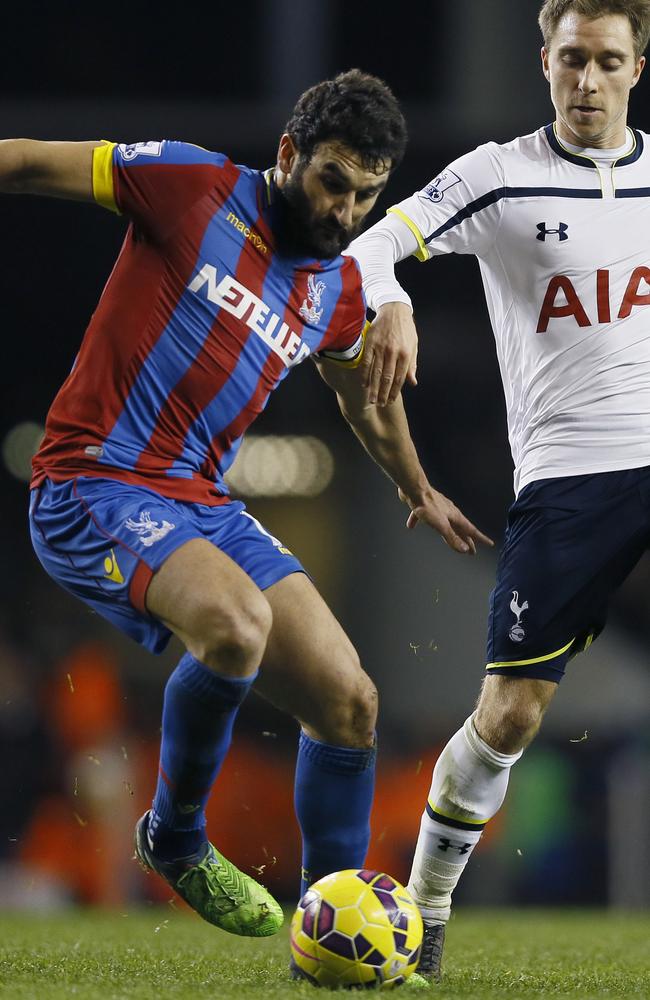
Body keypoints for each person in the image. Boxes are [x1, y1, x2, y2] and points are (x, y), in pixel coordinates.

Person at [1, 70, 492, 942]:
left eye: (366, 196)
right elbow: (29, 160)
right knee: (233, 626)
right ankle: (176, 837)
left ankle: (332, 933)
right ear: (288, 153)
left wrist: (417, 487)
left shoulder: (338, 288)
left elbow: (365, 401)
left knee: (350, 703)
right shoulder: (191, 185)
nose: (344, 210)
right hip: (93, 478)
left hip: (200, 498)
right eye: (332, 181)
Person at [348, 0, 650, 982]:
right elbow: (365, 248)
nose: (587, 81)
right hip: (567, 477)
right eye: (571, 60)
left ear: (635, 67)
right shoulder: (497, 175)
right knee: (511, 714)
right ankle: (427, 906)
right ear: (543, 61)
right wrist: (389, 303)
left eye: (607, 61)